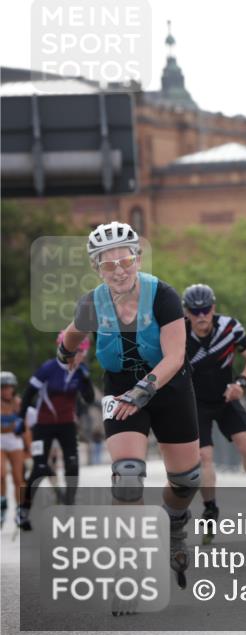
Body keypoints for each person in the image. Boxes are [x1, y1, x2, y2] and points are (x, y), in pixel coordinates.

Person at [59, 221, 201, 592]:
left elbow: (175, 356)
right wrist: (65, 351)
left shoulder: (163, 295)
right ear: (97, 268)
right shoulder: (93, 302)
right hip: (121, 388)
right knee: (126, 475)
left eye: (125, 260)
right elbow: (72, 332)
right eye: (109, 265)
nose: (119, 270)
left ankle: (174, 522)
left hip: (168, 385)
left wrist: (145, 389)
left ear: (137, 259)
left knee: (187, 481)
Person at [182, 283, 246, 540]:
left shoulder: (229, 327)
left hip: (227, 395)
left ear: (213, 307)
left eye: (206, 309)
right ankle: (210, 508)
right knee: (204, 457)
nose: (201, 316)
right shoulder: (178, 334)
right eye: (195, 311)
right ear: (186, 312)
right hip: (196, 402)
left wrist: (242, 383)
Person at [15, 332, 95, 528]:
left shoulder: (80, 371)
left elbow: (90, 399)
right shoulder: (48, 369)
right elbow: (28, 395)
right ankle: (23, 509)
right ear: (66, 351)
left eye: (83, 353)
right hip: (43, 425)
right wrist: (20, 419)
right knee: (40, 468)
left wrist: (86, 380)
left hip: (67, 425)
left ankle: (69, 509)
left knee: (73, 467)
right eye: (78, 353)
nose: (81, 357)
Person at [1, 371, 28, 529]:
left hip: (15, 440)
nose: (5, 391)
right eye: (2, 388)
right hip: (0, 440)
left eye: (8, 387)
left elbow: (26, 428)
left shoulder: (18, 403)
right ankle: (2, 504)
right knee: (1, 475)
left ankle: (20, 509)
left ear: (13, 388)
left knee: (18, 478)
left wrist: (29, 447)